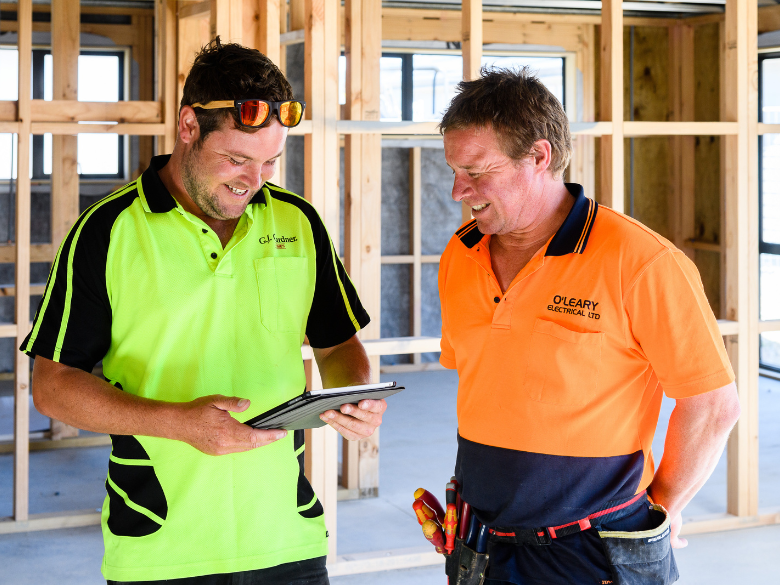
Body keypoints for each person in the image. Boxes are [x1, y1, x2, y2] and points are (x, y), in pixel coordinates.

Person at [22, 38, 386, 584]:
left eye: (268, 161)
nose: (254, 180)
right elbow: (52, 386)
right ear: (189, 126)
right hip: (159, 545)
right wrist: (178, 424)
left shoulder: (298, 223)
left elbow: (337, 346)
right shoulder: (107, 230)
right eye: (237, 159)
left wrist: (352, 396)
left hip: (287, 538)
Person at [436, 67, 741, 585]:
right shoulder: (460, 254)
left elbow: (712, 403)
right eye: (453, 169)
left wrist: (661, 509)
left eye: (477, 171)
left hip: (598, 554)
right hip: (483, 544)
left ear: (538, 157)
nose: (458, 190)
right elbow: (491, 389)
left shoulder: (640, 261)